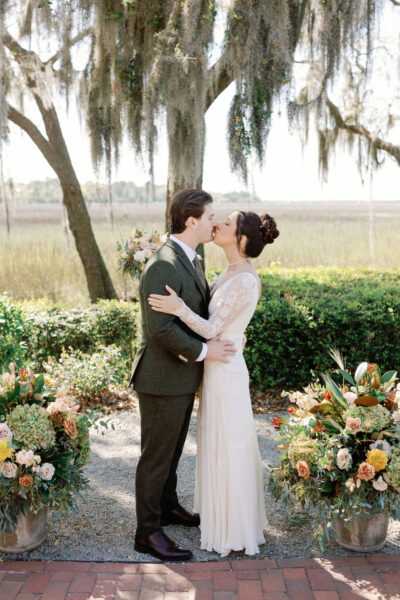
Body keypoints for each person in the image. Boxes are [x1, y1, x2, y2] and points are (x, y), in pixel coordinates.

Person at [148, 209, 279, 556]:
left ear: (242, 239)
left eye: (228, 223)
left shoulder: (245, 279)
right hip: (217, 365)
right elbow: (223, 321)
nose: (217, 224)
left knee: (229, 444)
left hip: (225, 372)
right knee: (219, 441)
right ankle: (221, 517)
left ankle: (233, 529)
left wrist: (177, 307)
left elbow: (210, 328)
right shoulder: (231, 271)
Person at [130, 189, 236, 561]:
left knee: (173, 451)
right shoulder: (164, 264)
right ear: (191, 221)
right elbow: (160, 329)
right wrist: (206, 351)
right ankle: (147, 532)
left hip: (180, 377)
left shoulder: (189, 258)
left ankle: (168, 506)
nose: (214, 223)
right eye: (209, 218)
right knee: (156, 456)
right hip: (161, 378)